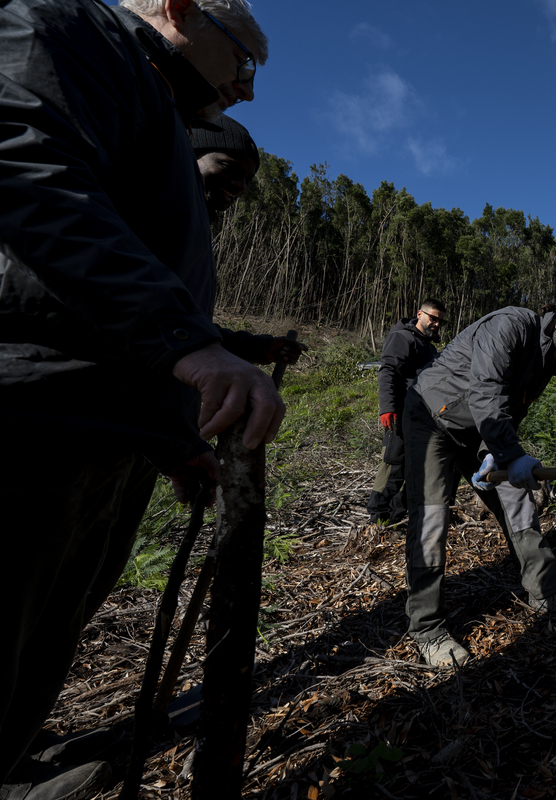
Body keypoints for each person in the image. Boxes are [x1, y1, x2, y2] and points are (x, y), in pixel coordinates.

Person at [0, 1, 279, 796]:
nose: (246, 89)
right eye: (243, 61)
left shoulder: (150, 106)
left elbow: (137, 298)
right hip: (30, 415)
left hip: (98, 430)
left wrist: (174, 437)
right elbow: (30, 176)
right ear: (180, 8)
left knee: (37, 655)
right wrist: (191, 345)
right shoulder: (57, 32)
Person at [402, 303, 556, 666]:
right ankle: (428, 630)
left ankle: (547, 592)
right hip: (431, 417)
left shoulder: (549, 359)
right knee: (431, 518)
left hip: (478, 429)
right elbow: (486, 389)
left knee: (518, 499)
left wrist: (491, 453)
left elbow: (512, 409)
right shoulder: (510, 326)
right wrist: (510, 455)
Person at [190, 113, 310, 366]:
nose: (242, 187)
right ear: (189, 153)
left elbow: (186, 326)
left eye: (248, 179)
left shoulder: (197, 231)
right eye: (227, 167)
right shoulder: (150, 213)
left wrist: (257, 348)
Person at [367, 299, 445, 525]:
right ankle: (377, 519)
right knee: (393, 464)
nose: (436, 324)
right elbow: (388, 371)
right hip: (401, 414)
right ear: (420, 314)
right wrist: (388, 408)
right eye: (433, 318)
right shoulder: (403, 337)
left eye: (440, 321)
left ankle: (396, 519)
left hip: (422, 417)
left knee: (414, 469)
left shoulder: (429, 347)